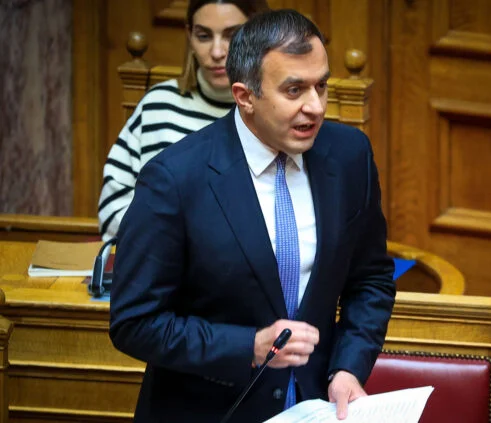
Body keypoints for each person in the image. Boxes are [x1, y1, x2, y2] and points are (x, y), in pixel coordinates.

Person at [109, 8, 396, 423]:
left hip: (317, 407)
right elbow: (135, 322)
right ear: (245, 96)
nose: (316, 106)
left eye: (321, 85)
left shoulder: (350, 155)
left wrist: (348, 368)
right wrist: (250, 347)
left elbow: (370, 279)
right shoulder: (174, 179)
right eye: (294, 90)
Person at [98, 0, 270, 240]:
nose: (217, 52)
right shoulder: (158, 105)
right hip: (161, 255)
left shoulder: (274, 113)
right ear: (189, 36)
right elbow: (112, 209)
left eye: (232, 36)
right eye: (203, 36)